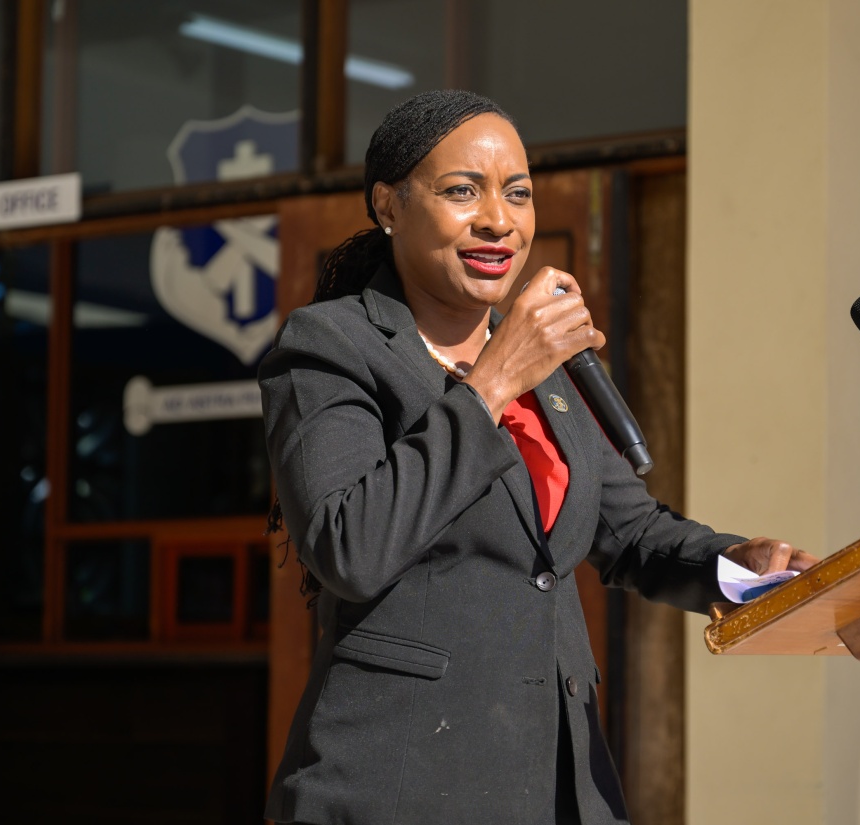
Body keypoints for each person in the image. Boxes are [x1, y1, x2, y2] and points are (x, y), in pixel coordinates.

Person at [259, 89, 818, 825]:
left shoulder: (549, 372)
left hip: (558, 785)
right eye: (463, 191)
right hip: (396, 785)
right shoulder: (333, 345)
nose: (498, 219)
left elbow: (633, 536)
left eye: (517, 193)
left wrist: (737, 565)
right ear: (388, 205)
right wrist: (492, 382)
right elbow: (350, 544)